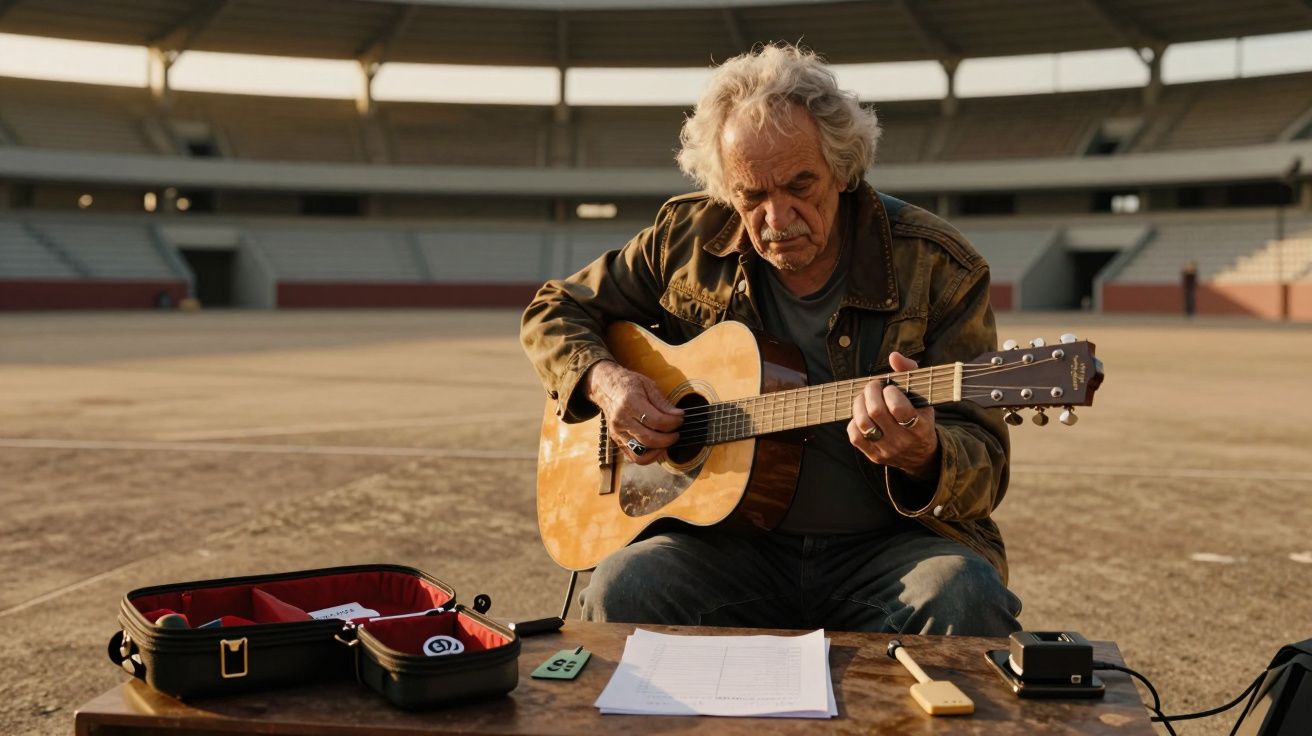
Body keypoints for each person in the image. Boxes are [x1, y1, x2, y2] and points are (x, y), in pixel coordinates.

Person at [521, 44, 1019, 636]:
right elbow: (554, 309)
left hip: (889, 553)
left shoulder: (938, 266)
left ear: (841, 166)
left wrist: (924, 456)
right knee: (622, 588)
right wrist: (606, 382)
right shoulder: (685, 238)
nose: (777, 217)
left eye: (799, 185)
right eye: (750, 195)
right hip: (721, 552)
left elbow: (985, 464)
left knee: (963, 594)